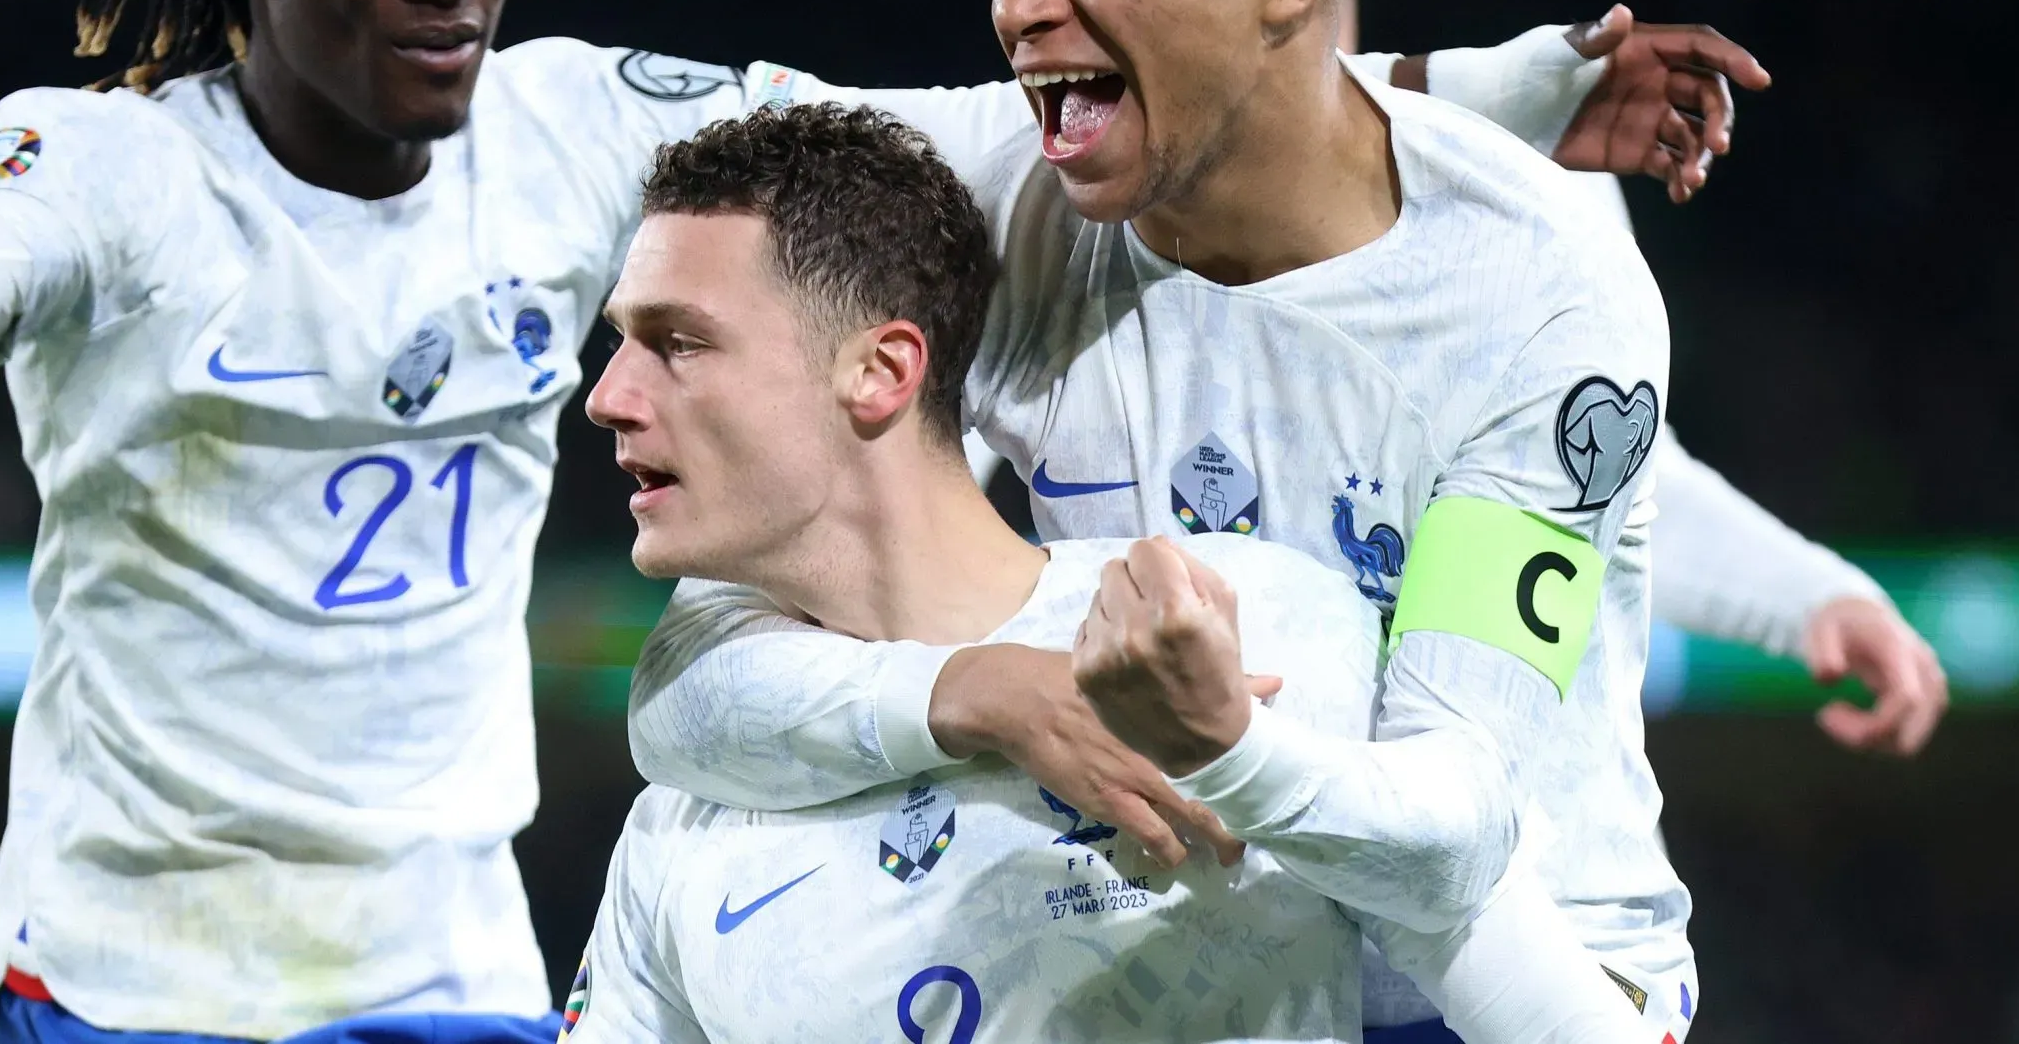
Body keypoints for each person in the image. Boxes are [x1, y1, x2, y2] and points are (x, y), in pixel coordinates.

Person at [0, 0, 1745, 1042]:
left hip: (445, 953)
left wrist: (1491, 87)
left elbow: (988, 130)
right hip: (135, 974)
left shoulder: (572, 127)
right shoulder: (116, 166)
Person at [626, 0, 1707, 1042]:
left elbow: (1450, 829)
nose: (1023, 4)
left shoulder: (1534, 293)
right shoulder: (994, 184)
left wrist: (1227, 747)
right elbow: (687, 694)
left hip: (1493, 976)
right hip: (1199, 951)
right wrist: (973, 688)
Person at [563, 103, 1648, 1043]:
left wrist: (1231, 748)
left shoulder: (1241, 629)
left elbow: (1551, 1003)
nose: (606, 395)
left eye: (679, 341)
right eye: (620, 339)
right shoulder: (704, 780)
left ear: (881, 371)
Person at [1186, 0, 1947, 761]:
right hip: (1190, 844)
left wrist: (1806, 594)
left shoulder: (1521, 160)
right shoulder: (1069, 190)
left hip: (1480, 836)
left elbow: (1603, 467)